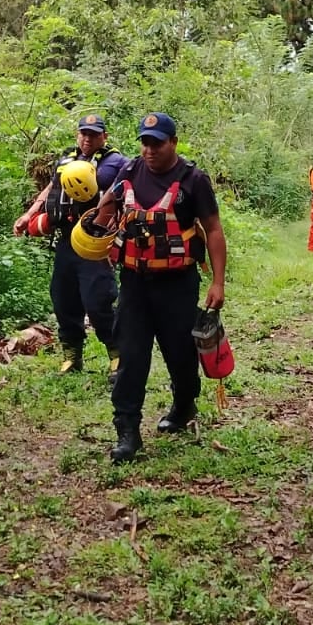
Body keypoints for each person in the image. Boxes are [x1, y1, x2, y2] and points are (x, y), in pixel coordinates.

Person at [93, 113, 227, 464]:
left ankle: (184, 405)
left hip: (178, 284)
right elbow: (106, 208)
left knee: (181, 356)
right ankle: (127, 430)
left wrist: (217, 281)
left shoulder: (193, 180)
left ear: (173, 142)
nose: (149, 149)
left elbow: (212, 230)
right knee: (131, 357)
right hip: (135, 283)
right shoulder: (130, 171)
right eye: (145, 142)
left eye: (157, 142)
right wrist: (98, 233)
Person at [13, 113, 125, 379]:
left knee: (98, 300)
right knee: (63, 299)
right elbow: (51, 188)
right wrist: (30, 214)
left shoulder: (116, 163)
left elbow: (120, 193)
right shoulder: (66, 159)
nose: (87, 139)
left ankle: (118, 355)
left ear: (104, 137)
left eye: (94, 134)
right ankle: (71, 356)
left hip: (93, 241)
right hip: (66, 240)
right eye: (83, 133)